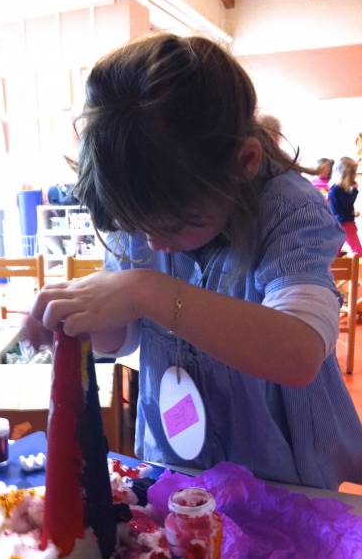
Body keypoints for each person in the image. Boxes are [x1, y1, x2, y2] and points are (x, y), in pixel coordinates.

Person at [24, 33, 362, 490]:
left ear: (244, 162)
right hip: (176, 467)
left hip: (282, 480)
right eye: (137, 226)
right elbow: (121, 337)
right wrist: (80, 318)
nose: (154, 243)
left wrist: (146, 290)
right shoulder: (139, 196)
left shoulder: (289, 210)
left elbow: (299, 354)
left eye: (176, 224)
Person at [328, 156, 361, 255]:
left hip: (342, 223)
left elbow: (345, 206)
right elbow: (344, 206)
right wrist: (354, 191)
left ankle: (334, 263)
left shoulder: (339, 189)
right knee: (358, 250)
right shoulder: (335, 190)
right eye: (353, 173)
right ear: (345, 175)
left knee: (335, 251)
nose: (355, 176)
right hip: (344, 224)